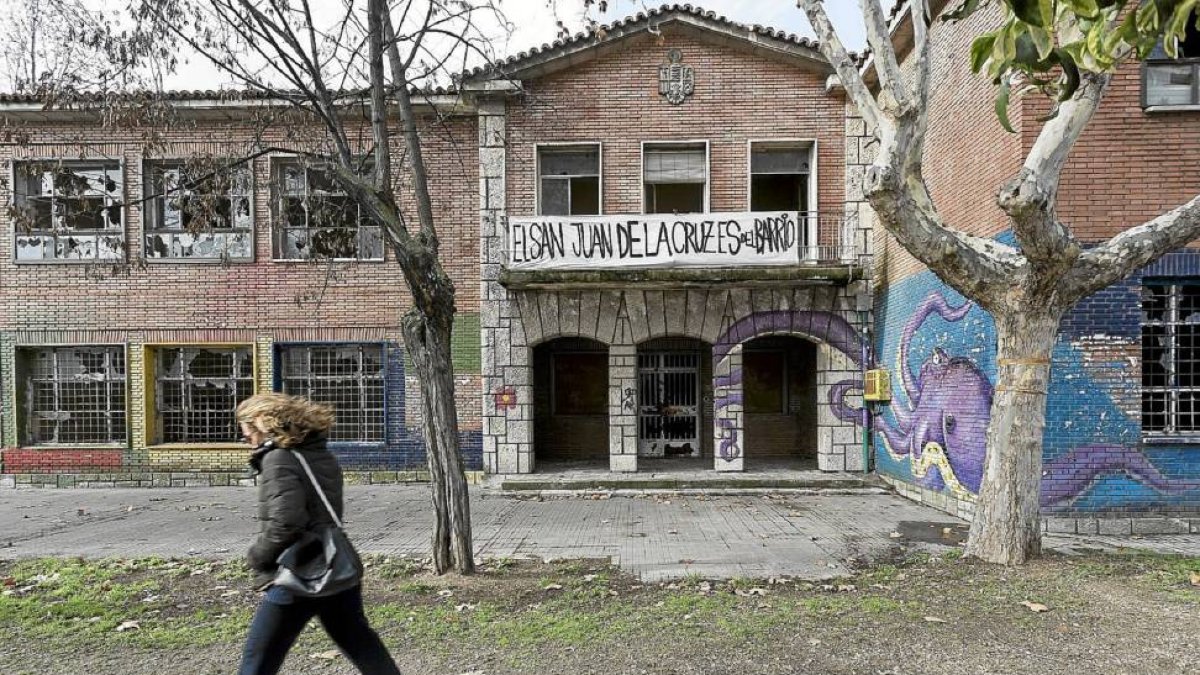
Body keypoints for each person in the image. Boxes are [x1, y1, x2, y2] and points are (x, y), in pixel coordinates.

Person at [236, 392, 401, 675]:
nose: (247, 440)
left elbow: (286, 522)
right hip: (337, 566)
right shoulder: (317, 452)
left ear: (263, 425)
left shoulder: (278, 459)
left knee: (258, 659)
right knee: (362, 645)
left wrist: (258, 556)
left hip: (299, 571)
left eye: (247, 432)